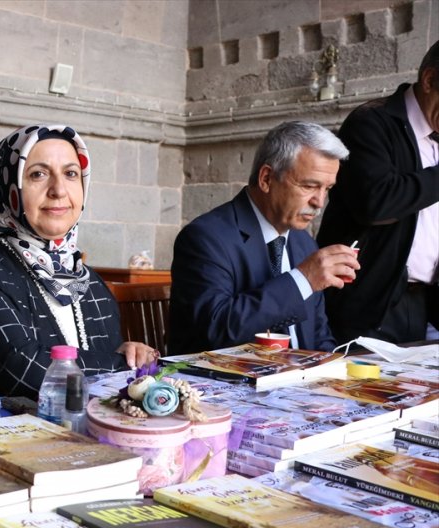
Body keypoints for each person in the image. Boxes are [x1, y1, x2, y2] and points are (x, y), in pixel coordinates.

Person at [0, 124, 157, 403]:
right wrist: (121, 363)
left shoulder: (87, 281)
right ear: (6, 186)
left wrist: (128, 351)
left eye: (71, 174)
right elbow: (24, 371)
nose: (59, 190)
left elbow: (104, 366)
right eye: (38, 174)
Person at [168, 121, 359, 355]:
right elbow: (215, 330)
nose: (319, 202)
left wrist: (337, 373)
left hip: (299, 384)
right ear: (266, 178)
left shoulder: (304, 243)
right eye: (310, 186)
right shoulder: (205, 238)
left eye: (327, 189)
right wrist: (302, 279)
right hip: (228, 384)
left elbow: (318, 337)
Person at [317, 41, 439, 344]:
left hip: (426, 304)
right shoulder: (372, 122)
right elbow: (376, 203)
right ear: (429, 80)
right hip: (370, 305)